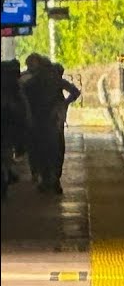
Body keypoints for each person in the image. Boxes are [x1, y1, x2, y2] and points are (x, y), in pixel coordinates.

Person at [20, 54, 80, 194]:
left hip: (40, 121)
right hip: (55, 121)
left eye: (31, 66)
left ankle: (47, 180)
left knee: (43, 151)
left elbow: (23, 96)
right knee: (57, 150)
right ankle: (54, 180)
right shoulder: (55, 79)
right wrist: (63, 104)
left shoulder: (32, 82)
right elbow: (75, 92)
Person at [1, 59, 31, 200]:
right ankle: (6, 180)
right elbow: (23, 112)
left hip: (7, 129)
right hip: (8, 130)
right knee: (5, 156)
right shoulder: (16, 89)